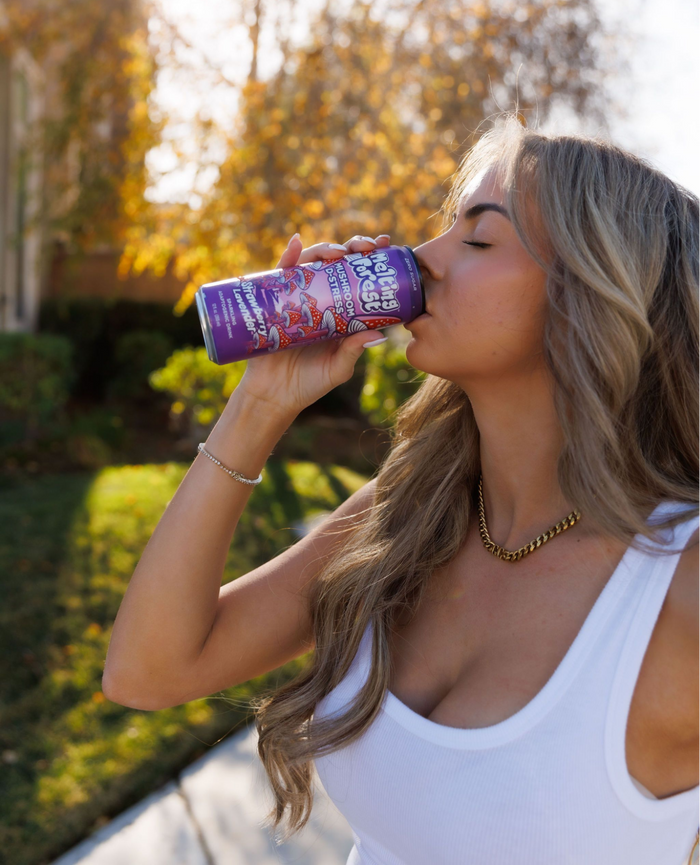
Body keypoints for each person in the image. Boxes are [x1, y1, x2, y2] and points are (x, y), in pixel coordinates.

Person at [103, 114, 700, 865]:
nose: (422, 258)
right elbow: (148, 671)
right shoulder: (410, 512)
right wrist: (261, 406)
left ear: (593, 298)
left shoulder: (676, 585)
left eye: (478, 239)